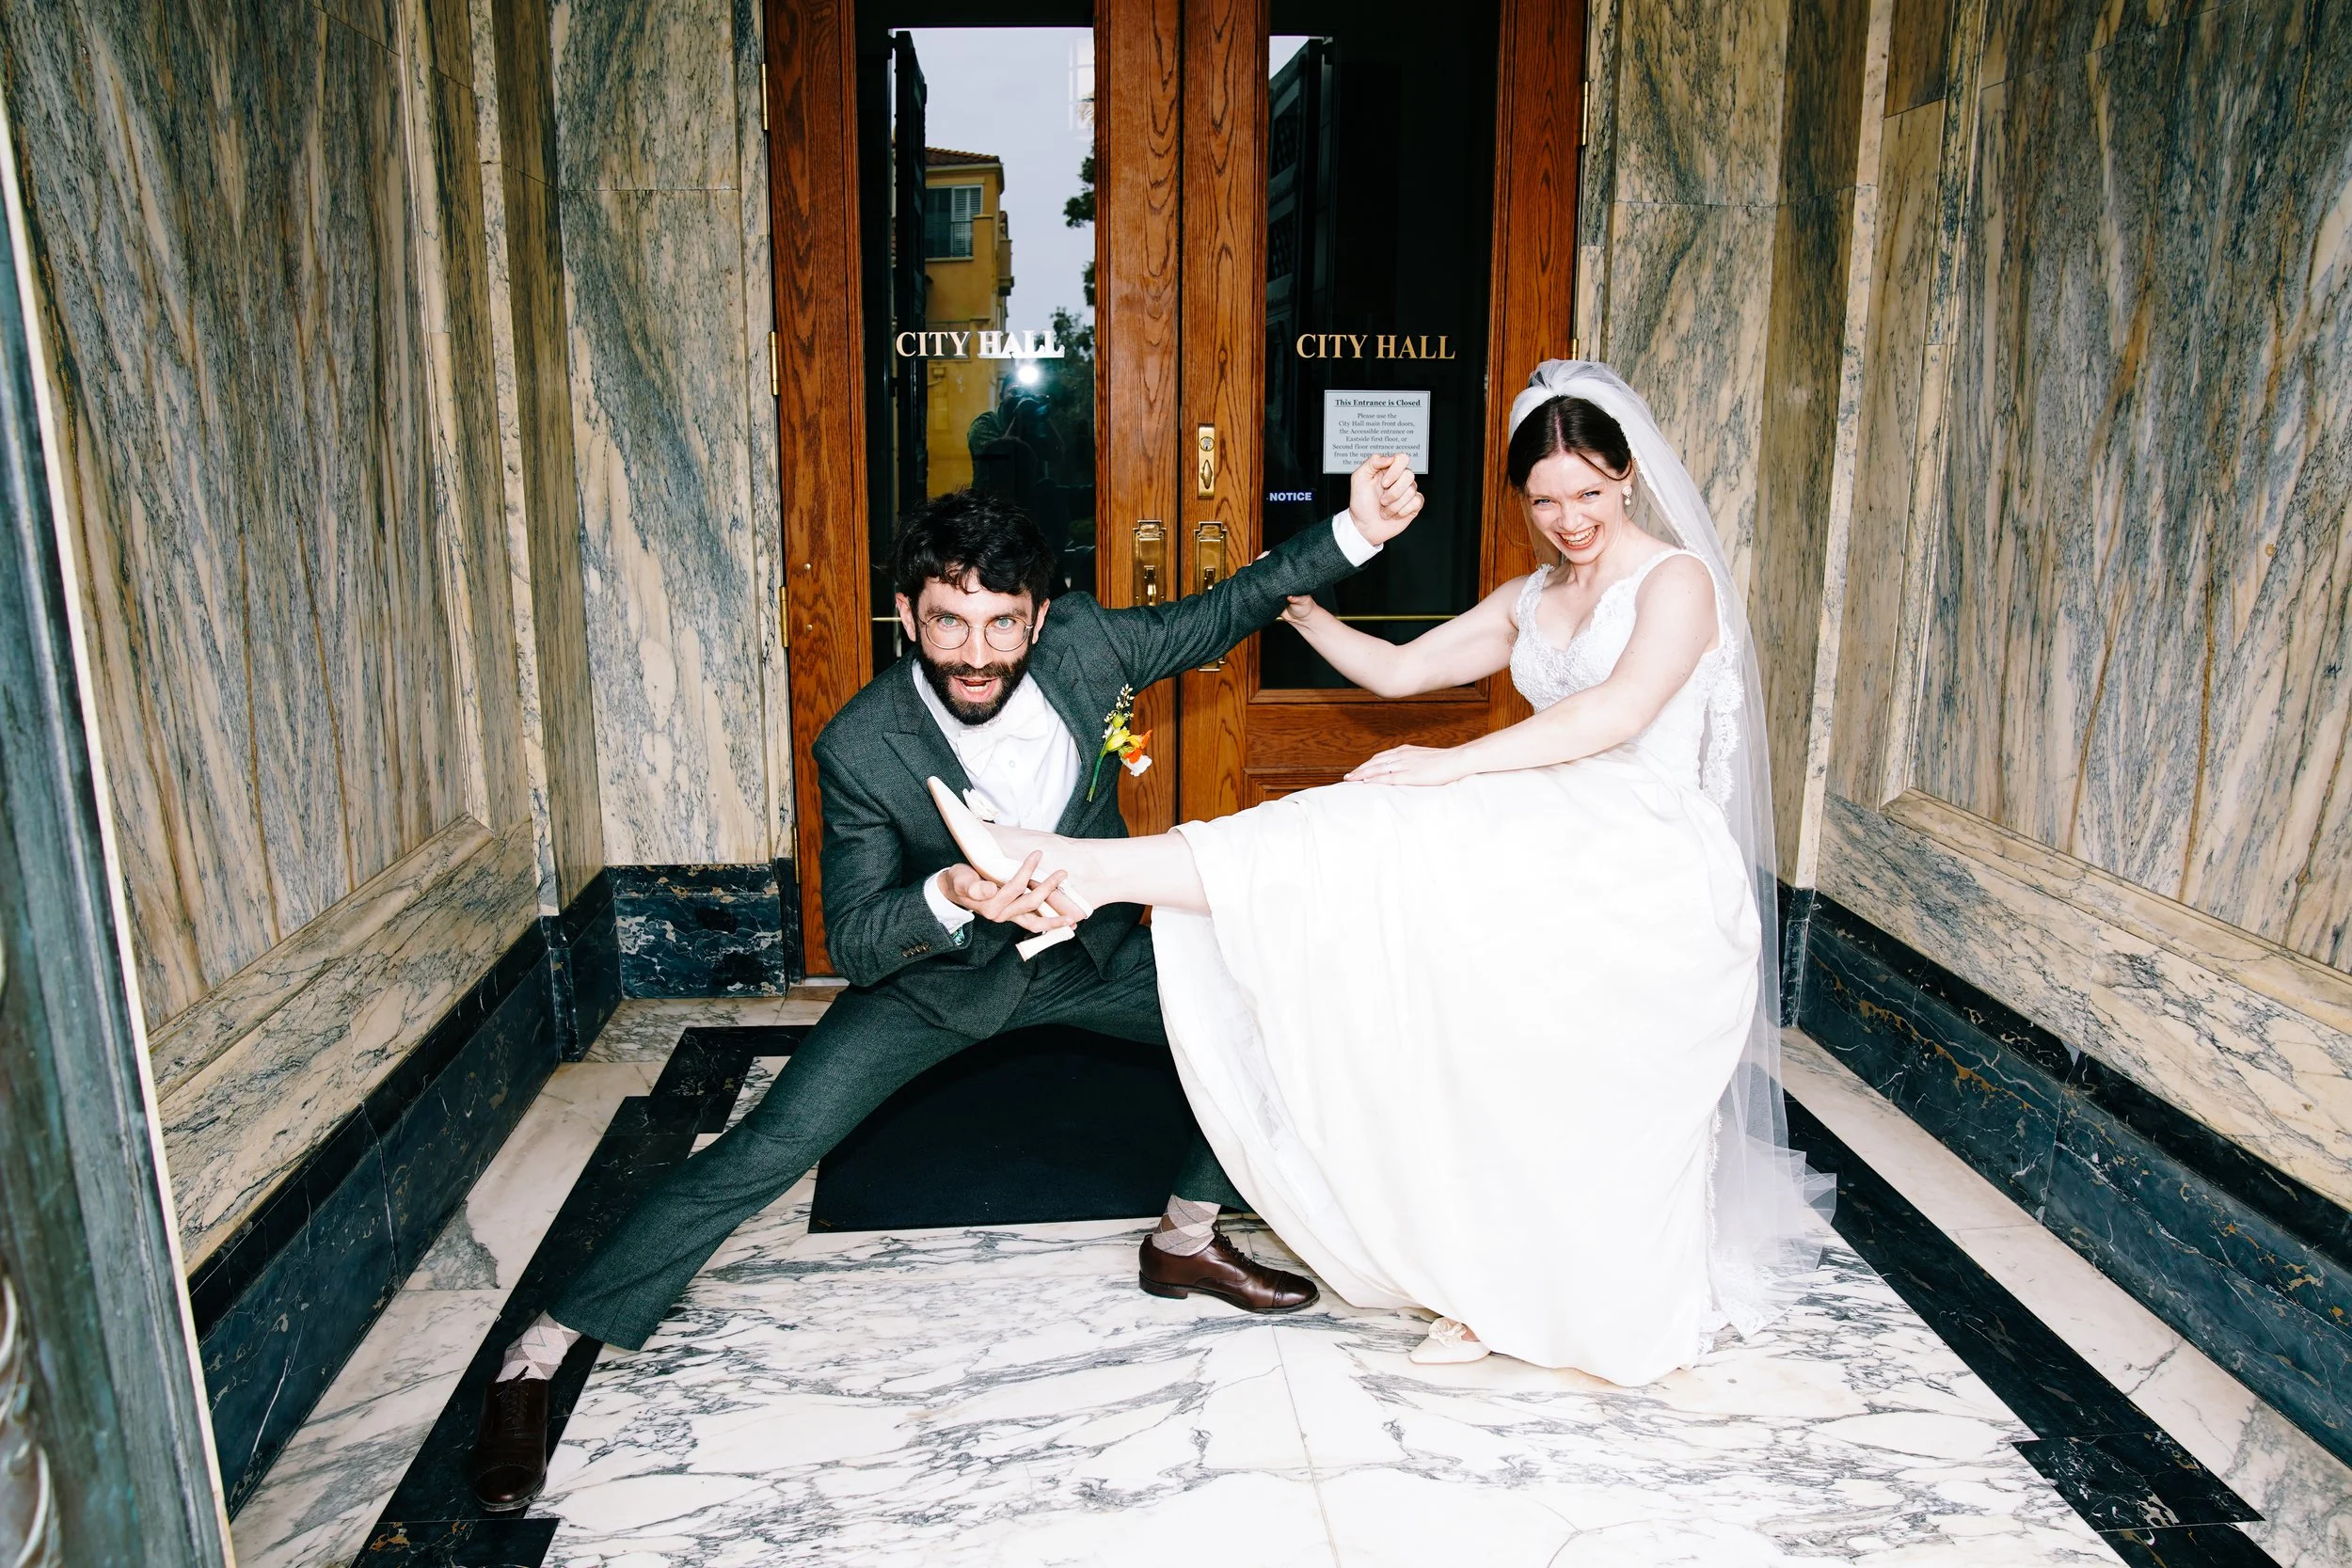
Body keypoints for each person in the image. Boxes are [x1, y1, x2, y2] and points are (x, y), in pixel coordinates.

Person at [465, 459, 1426, 1512]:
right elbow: (863, 938)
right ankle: (539, 1348)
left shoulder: (1088, 646)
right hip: (934, 984)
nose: (976, 653)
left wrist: (1356, 531)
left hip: (1091, 957)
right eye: (948, 623)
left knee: (1260, 1024)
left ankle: (1184, 1240)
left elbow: (1228, 606)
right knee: (765, 1148)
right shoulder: (861, 743)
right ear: (904, 614)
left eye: (1001, 624)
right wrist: (955, 890)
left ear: (1041, 614)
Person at [930, 360, 1832, 1384]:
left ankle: (1081, 867)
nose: (1567, 518)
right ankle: (1086, 871)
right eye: (1543, 500)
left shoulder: (1676, 580)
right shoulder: (1529, 595)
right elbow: (1404, 671)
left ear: (1626, 477)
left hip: (1641, 850)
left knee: (1374, 828)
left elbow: (1618, 714)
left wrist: (1452, 767)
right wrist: (1304, 614)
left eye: (1586, 492)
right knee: (1387, 908)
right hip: (1549, 831)